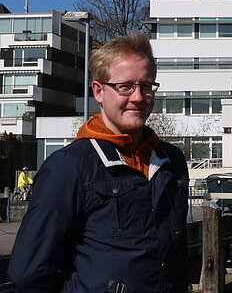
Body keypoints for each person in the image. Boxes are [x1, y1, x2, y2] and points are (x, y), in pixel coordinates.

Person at [9, 32, 189, 293]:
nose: (138, 97)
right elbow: (29, 274)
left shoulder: (171, 161)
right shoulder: (69, 167)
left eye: (146, 85)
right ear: (99, 91)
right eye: (125, 86)